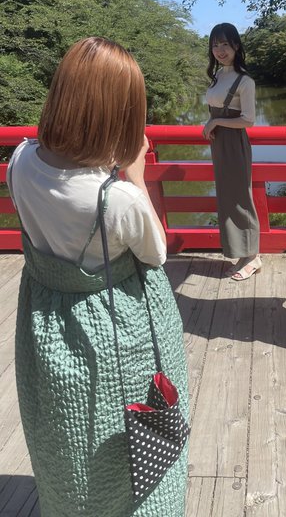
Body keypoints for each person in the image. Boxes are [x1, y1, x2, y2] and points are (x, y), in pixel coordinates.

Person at [7, 37, 189, 516]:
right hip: (112, 330)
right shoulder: (115, 198)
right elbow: (156, 252)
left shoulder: (20, 161)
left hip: (47, 318)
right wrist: (136, 175)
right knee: (127, 433)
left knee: (66, 436)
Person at [203, 23, 261, 280]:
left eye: (225, 44)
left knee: (240, 198)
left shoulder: (244, 81)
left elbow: (248, 120)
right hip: (219, 143)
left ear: (236, 45)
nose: (220, 50)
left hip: (234, 142)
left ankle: (254, 256)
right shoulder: (218, 76)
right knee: (227, 198)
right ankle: (242, 253)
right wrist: (212, 123)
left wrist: (215, 121)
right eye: (215, 45)